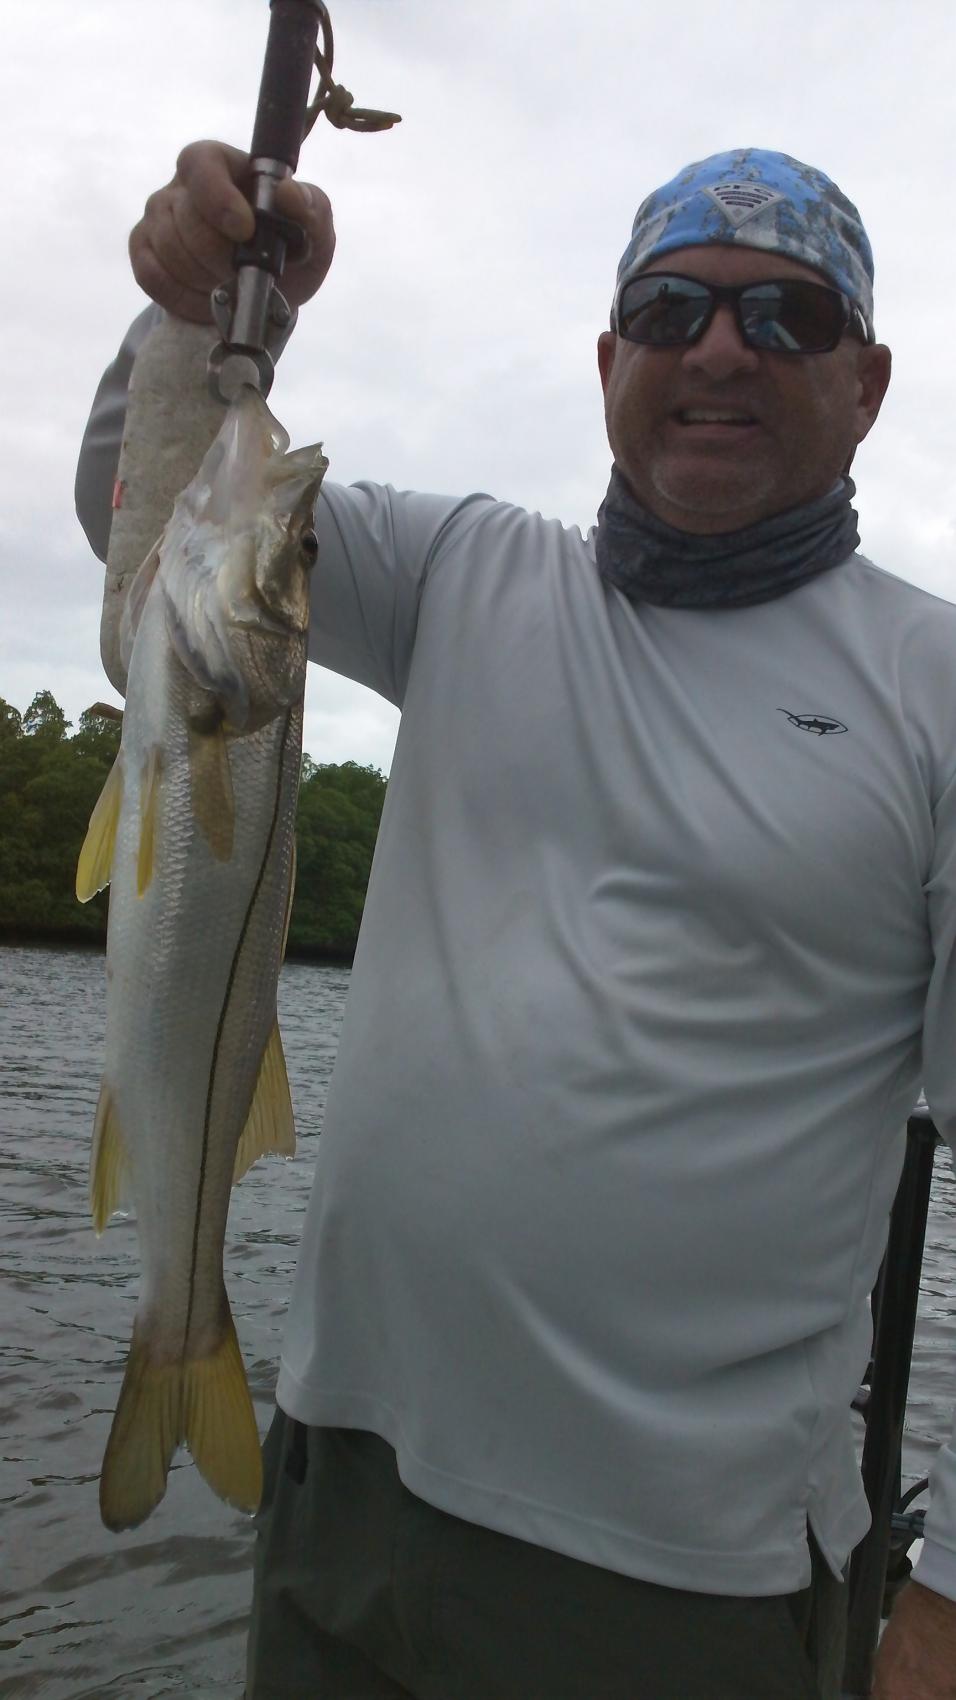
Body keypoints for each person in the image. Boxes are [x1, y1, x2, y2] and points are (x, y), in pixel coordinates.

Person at [76, 145, 956, 1700]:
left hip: (685, 1583)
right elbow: (142, 530)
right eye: (671, 309)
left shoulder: (933, 691)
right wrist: (195, 318)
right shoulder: (467, 572)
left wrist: (946, 1597)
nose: (720, 350)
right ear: (610, 359)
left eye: (788, 319)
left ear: (871, 378)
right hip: (340, 1492)